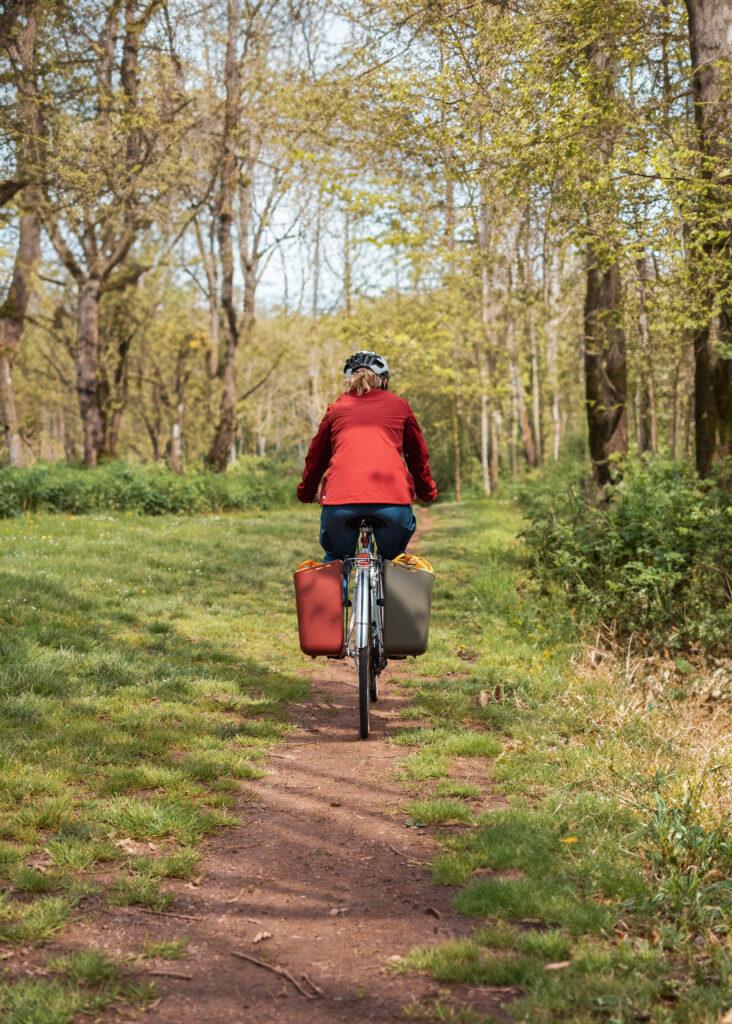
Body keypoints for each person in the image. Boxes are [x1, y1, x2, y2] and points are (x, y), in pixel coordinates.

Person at [297, 350, 438, 562]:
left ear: (349, 380)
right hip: (393, 503)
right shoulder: (400, 406)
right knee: (394, 559)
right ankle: (393, 586)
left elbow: (316, 458)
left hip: (339, 503)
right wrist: (426, 492)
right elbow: (417, 457)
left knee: (335, 559)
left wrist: (307, 493)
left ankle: (333, 590)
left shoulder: (336, 408)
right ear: (385, 380)